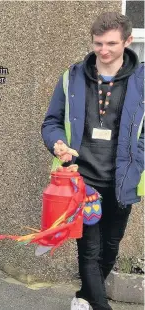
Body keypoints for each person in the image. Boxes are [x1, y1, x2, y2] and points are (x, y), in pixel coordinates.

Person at [41, 12, 143, 310]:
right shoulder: (72, 77)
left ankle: (84, 297)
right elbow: (51, 122)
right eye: (98, 43)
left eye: (112, 43)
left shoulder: (142, 82)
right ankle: (99, 305)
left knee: (111, 246)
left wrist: (139, 156)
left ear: (128, 40)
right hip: (81, 180)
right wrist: (57, 143)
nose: (104, 50)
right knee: (89, 249)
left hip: (124, 178)